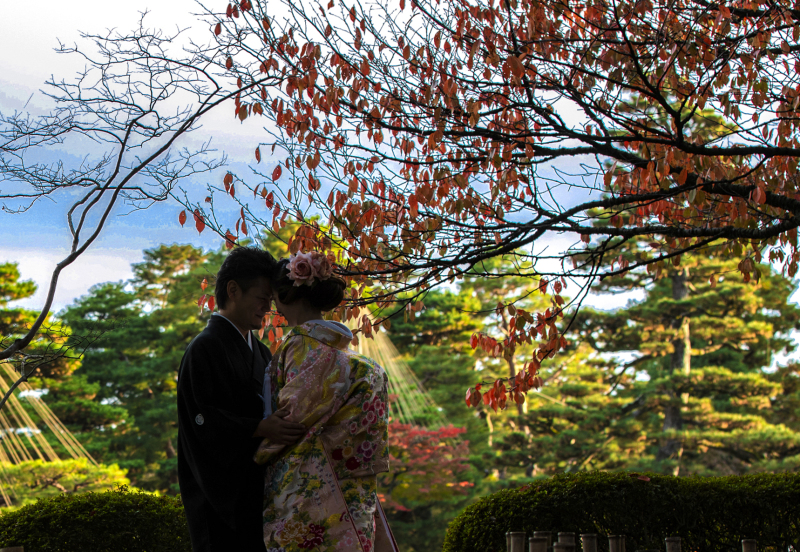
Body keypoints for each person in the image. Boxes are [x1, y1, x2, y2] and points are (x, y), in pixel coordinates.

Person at [255, 251, 399, 552]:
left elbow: (290, 423)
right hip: (354, 488)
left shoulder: (300, 346)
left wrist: (257, 440)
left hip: (308, 493)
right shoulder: (364, 366)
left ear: (284, 296)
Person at [177, 247, 306, 552]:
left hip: (257, 493)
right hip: (219, 499)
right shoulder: (203, 348)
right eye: (262, 298)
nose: (267, 307)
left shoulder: (261, 352)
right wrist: (259, 428)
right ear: (233, 290)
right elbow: (202, 420)